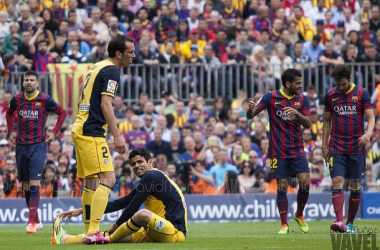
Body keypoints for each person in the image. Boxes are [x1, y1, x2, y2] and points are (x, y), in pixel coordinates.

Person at [71, 34, 134, 244]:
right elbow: (106, 104)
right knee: (109, 179)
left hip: (81, 126)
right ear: (118, 54)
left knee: (91, 183)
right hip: (92, 130)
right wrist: (117, 135)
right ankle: (94, 231)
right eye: (130, 52)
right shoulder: (112, 71)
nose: (133, 56)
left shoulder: (97, 66)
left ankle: (89, 231)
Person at [52, 147, 187, 244]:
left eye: (140, 162)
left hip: (174, 232)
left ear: (150, 162)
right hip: (154, 230)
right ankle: (64, 239)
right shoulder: (149, 179)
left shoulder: (152, 176)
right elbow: (124, 201)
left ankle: (110, 238)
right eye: (133, 164)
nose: (136, 166)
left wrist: (116, 226)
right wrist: (83, 210)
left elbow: (133, 206)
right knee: (101, 235)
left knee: (142, 214)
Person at [246, 69, 311, 234]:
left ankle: (299, 214)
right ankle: (284, 224)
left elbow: (308, 124)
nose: (300, 85)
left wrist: (297, 114)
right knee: (281, 186)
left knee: (305, 182)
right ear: (288, 84)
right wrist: (250, 109)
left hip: (297, 148)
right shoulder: (271, 97)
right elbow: (251, 115)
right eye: (297, 83)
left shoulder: (302, 99)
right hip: (277, 149)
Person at [5, 70, 66, 233]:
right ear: (23, 83)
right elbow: (9, 113)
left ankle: (30, 223)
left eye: (32, 80)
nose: (29, 82)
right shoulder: (17, 99)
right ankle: (37, 221)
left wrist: (54, 132)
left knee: (34, 185)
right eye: (27, 80)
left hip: (38, 146)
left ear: (37, 83)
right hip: (21, 146)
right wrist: (11, 131)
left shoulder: (45, 99)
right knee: (25, 186)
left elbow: (62, 112)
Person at [322, 65, 375, 233]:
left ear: (349, 79)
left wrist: (367, 134)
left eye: (344, 84)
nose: (341, 87)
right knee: (337, 182)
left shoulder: (361, 93)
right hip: (337, 147)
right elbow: (326, 122)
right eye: (338, 84)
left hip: (356, 147)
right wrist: (324, 144)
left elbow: (371, 117)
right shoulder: (331, 95)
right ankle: (339, 221)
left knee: (355, 185)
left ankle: (350, 223)